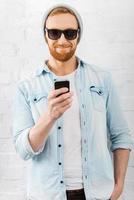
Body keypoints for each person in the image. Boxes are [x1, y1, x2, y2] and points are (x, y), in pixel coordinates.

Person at [12, 3, 133, 200]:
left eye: (69, 33)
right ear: (45, 35)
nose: (62, 40)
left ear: (78, 35)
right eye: (54, 33)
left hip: (97, 194)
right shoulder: (27, 87)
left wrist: (118, 186)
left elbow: (121, 136)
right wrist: (49, 117)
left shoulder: (102, 80)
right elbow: (24, 150)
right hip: (47, 195)